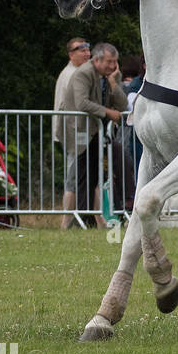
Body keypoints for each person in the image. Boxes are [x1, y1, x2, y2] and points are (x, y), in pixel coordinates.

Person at [63, 43, 133, 225]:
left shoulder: (108, 76)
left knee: (107, 167)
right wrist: (108, 112)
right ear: (97, 59)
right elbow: (82, 103)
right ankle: (84, 218)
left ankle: (125, 204)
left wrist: (113, 84)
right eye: (109, 61)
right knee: (86, 175)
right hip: (81, 132)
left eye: (115, 62)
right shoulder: (84, 73)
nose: (113, 66)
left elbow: (123, 105)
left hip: (98, 133)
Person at [53, 38, 91, 223]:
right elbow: (68, 107)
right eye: (80, 49)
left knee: (81, 177)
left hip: (79, 133)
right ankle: (65, 222)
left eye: (87, 48)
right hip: (74, 134)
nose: (86, 52)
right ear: (71, 54)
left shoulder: (81, 72)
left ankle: (80, 220)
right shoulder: (71, 74)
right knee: (73, 177)